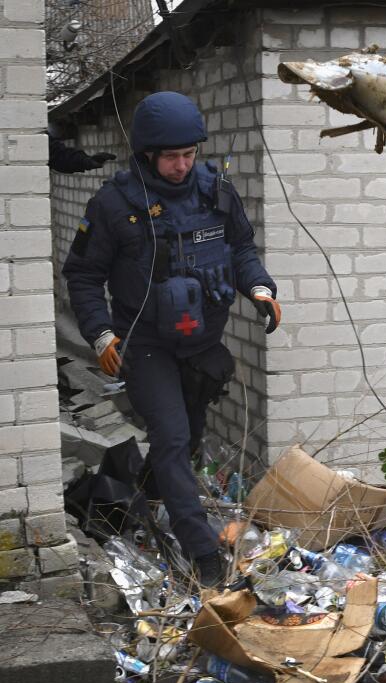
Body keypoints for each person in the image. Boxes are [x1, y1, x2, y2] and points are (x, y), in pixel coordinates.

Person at [62, 91, 281, 587]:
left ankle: (144, 501)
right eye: (170, 157)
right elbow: (81, 274)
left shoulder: (216, 191)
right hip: (145, 344)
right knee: (173, 438)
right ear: (147, 155)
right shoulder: (114, 204)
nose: (181, 166)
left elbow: (241, 247)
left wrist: (260, 288)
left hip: (201, 343)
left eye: (188, 154)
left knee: (187, 442)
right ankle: (204, 553)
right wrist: (99, 334)